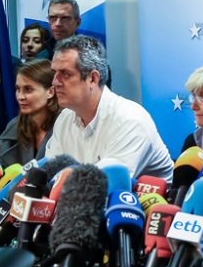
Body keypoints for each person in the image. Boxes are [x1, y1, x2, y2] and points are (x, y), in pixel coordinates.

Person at [45, 35, 172, 180]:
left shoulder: (129, 119)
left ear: (93, 79)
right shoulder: (65, 118)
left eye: (66, 74)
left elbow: (102, 186)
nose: (55, 82)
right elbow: (51, 177)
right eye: (54, 73)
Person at [0, 59, 59, 167]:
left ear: (50, 92)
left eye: (28, 90)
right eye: (18, 89)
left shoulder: (66, 126)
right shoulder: (13, 127)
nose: (20, 97)